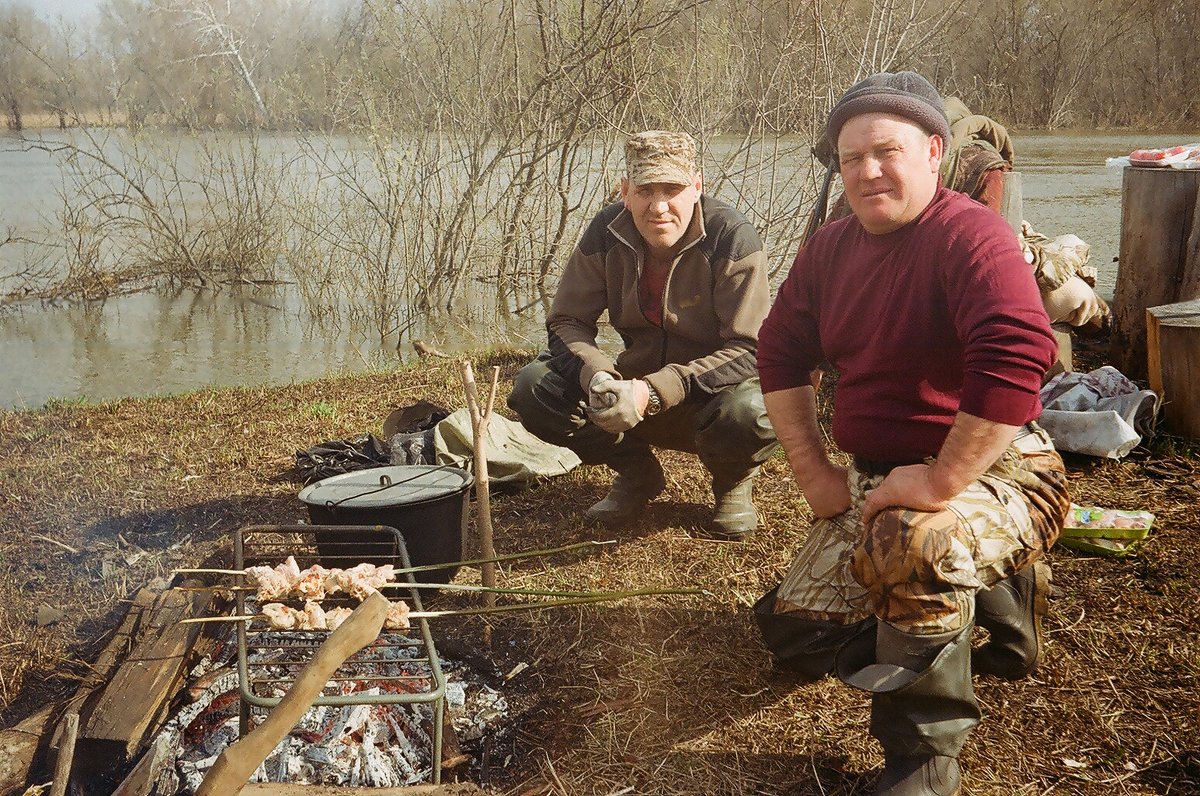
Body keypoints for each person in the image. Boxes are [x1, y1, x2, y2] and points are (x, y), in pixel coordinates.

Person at [754, 73, 1071, 795]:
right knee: (794, 633)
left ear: (933, 151)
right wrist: (813, 470)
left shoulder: (972, 235)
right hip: (878, 473)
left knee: (911, 541)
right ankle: (992, 595)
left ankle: (924, 760)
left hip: (1000, 468)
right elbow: (777, 352)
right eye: (850, 157)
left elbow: (1019, 351)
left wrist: (937, 483)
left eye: (886, 151)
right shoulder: (830, 250)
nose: (867, 171)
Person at [508, 130, 778, 540]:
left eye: (673, 189)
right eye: (645, 190)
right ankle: (637, 473)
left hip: (710, 394)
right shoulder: (606, 230)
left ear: (698, 187)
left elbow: (751, 347)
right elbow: (566, 321)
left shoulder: (731, 236)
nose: (659, 206)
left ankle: (732, 485)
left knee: (753, 411)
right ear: (625, 192)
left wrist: (655, 391)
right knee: (535, 388)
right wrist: (599, 377)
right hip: (630, 382)